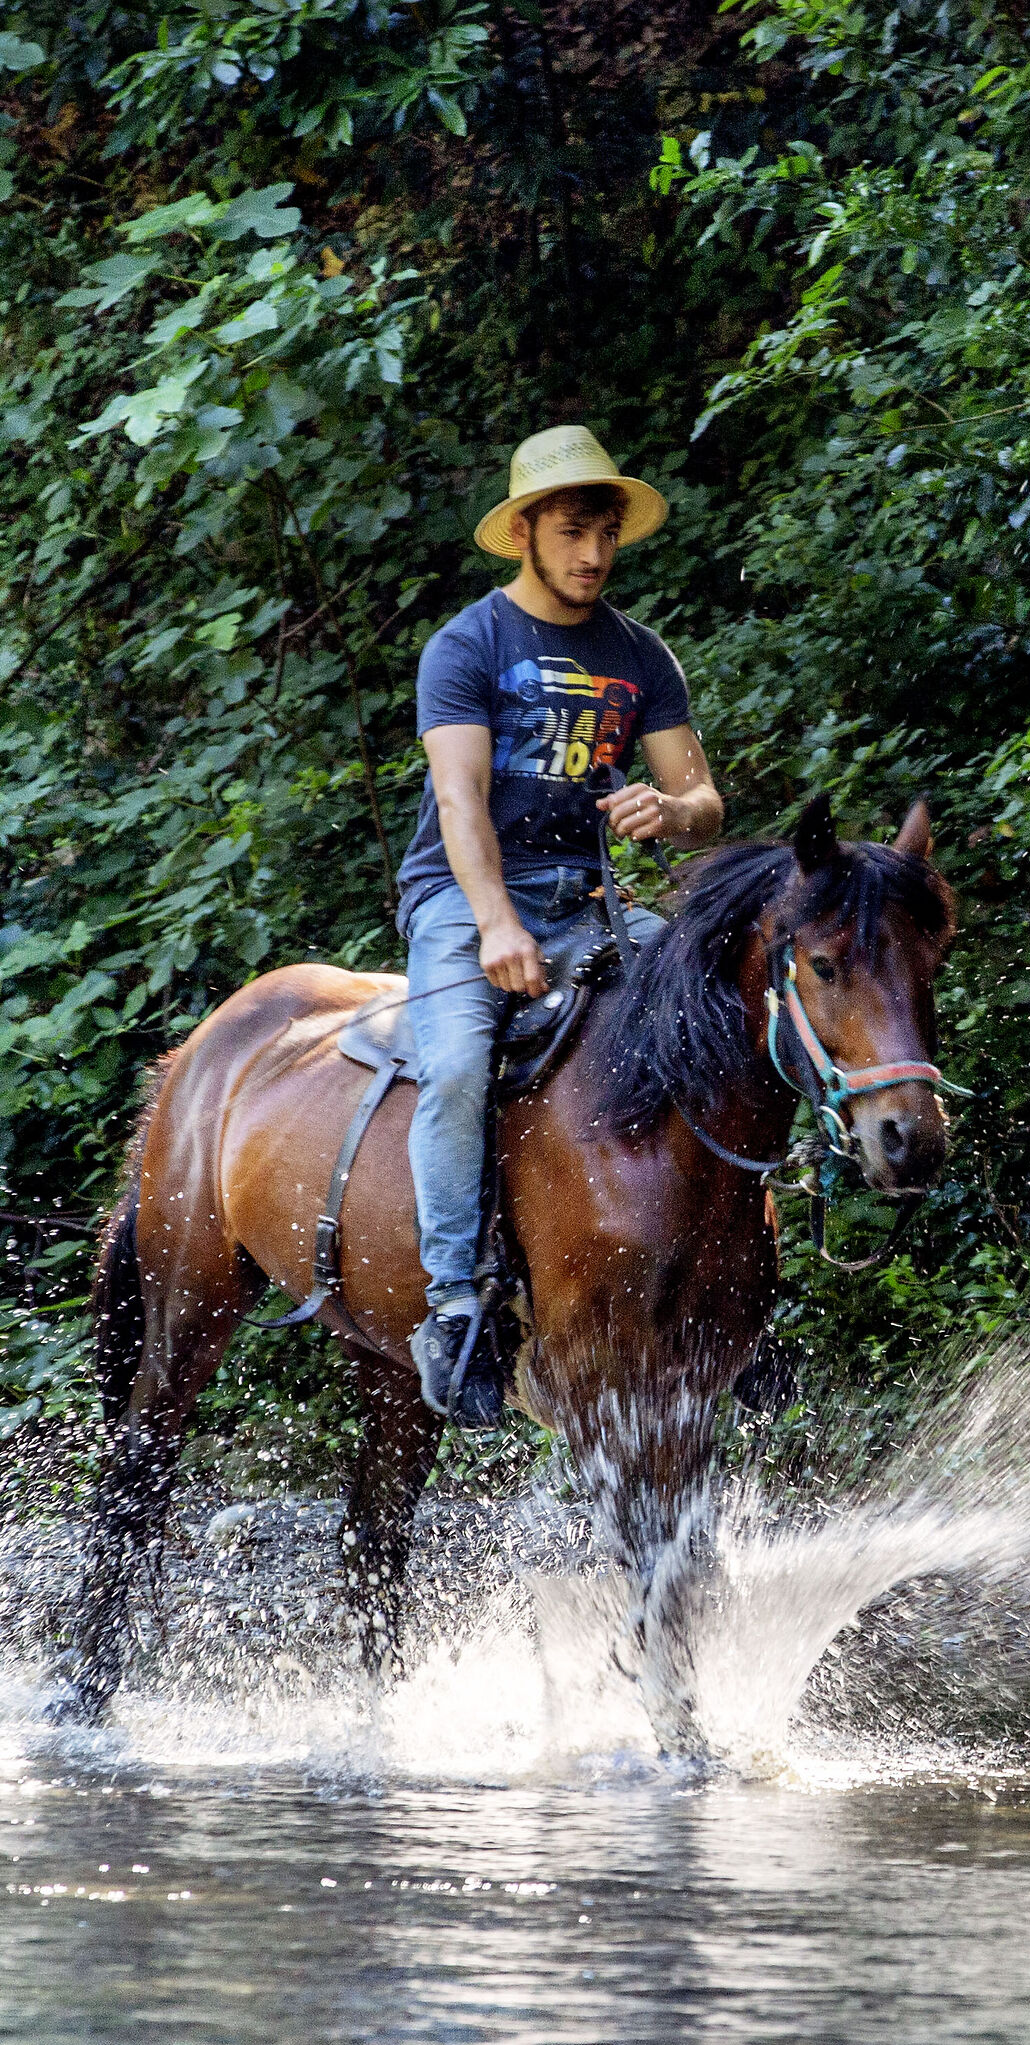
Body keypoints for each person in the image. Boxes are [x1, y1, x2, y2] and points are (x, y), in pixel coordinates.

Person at [396, 425, 726, 1424]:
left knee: (716, 1015)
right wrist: (496, 926)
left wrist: (670, 816)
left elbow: (703, 799)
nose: (592, 555)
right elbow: (458, 807)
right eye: (572, 532)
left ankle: (731, 1265)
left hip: (590, 903)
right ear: (526, 530)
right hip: (466, 898)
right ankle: (456, 1306)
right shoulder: (468, 645)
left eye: (605, 535)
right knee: (453, 1066)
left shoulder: (637, 653)